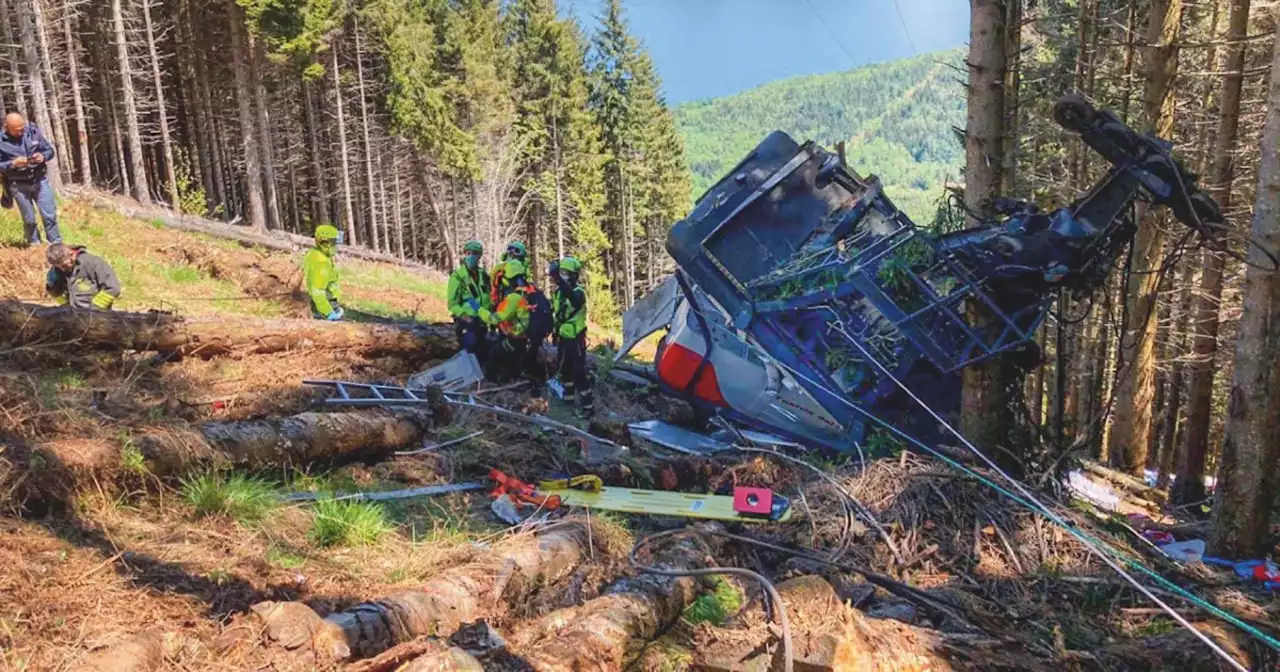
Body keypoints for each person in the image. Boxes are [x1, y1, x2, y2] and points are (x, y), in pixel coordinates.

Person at [480, 259, 550, 391]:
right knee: (511, 364)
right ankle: (513, 380)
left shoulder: (513, 298)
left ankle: (495, 386)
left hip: (516, 340)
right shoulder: (527, 293)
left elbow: (494, 319)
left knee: (494, 354)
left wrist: (479, 309)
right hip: (525, 340)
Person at [0, 113, 59, 246]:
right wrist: (12, 164)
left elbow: (49, 150)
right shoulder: (1, 142)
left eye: (23, 128)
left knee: (49, 215)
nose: (22, 132)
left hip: (40, 180)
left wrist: (43, 156)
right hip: (18, 185)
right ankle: (34, 245)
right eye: (17, 130)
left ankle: (55, 244)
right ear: (6, 127)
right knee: (29, 219)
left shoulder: (32, 132)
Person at [551, 256, 593, 417]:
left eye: (565, 273)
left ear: (574, 275)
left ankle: (588, 406)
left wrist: (557, 279)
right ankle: (568, 399)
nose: (563, 276)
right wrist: (555, 332)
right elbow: (557, 314)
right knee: (564, 370)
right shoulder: (557, 294)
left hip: (576, 339)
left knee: (578, 372)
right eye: (561, 273)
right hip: (563, 337)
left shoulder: (578, 293)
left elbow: (574, 301)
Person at [447, 239, 491, 361]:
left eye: (475, 253)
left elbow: (488, 296)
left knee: (484, 352)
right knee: (470, 348)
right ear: (465, 254)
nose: (472, 256)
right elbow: (452, 304)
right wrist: (464, 315)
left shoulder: (483, 275)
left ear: (479, 256)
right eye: (468, 253)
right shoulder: (458, 276)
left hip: (483, 320)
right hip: (467, 321)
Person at [45, 243, 120, 310]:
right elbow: (58, 295)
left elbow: (113, 288)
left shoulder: (94, 263)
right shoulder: (57, 271)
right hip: (73, 315)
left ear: (72, 254)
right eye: (59, 267)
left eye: (64, 266)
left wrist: (94, 309)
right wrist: (52, 287)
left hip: (96, 316)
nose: (62, 269)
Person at [304, 224, 344, 320]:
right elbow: (317, 291)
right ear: (325, 243)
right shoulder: (320, 262)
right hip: (325, 306)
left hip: (326, 303)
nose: (336, 246)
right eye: (334, 243)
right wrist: (328, 312)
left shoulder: (318, 254)